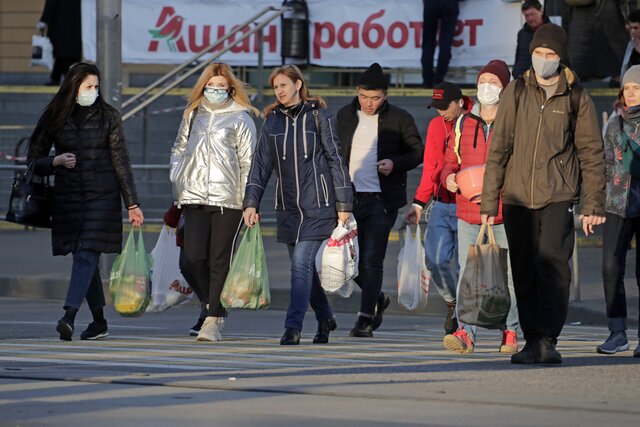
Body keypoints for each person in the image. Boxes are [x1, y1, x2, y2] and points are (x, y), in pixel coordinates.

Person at [481, 23, 606, 364]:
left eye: (550, 55)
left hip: (558, 195)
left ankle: (549, 337)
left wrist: (592, 202)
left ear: (561, 57)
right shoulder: (516, 91)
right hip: (518, 197)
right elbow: (499, 149)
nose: (543, 60)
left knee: (553, 266)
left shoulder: (577, 96)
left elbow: (591, 152)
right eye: (538, 53)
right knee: (523, 269)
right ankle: (531, 338)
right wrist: (489, 200)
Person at [27, 62, 144, 341]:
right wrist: (54, 160)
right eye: (87, 86)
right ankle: (99, 322)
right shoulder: (56, 115)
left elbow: (121, 161)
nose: (93, 91)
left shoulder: (108, 116)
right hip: (68, 195)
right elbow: (33, 159)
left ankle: (68, 315)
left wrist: (132, 203)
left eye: (96, 86)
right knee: (84, 255)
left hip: (101, 195)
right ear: (74, 87)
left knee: (86, 252)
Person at [243, 64, 352, 346]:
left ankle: (293, 326)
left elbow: (336, 160)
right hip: (288, 208)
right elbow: (260, 166)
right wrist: (251, 202)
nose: (279, 91)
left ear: (298, 85)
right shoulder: (272, 122)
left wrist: (343, 203)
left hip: (319, 205)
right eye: (275, 87)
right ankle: (325, 317)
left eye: (283, 85)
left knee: (301, 263)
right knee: (303, 269)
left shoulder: (319, 117)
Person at [170, 63, 258, 343]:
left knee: (220, 259)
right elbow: (179, 148)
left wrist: (249, 202)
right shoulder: (193, 114)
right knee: (191, 259)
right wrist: (178, 176)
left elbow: (249, 161)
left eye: (221, 87)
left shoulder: (241, 118)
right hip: (194, 196)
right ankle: (212, 304)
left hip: (229, 199)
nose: (215, 91)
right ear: (203, 86)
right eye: (211, 86)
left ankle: (213, 319)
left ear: (230, 88)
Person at [336, 63, 423, 337]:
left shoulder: (399, 117)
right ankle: (377, 298)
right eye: (364, 96)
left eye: (375, 98)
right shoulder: (345, 116)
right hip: (348, 201)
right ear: (356, 92)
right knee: (346, 262)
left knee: (372, 260)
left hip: (382, 201)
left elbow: (417, 152)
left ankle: (365, 319)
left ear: (385, 95)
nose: (369, 103)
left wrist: (394, 163)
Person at [439, 60, 519, 354]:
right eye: (483, 80)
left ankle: (510, 331)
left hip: (503, 211)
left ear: (505, 88)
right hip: (468, 211)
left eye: (494, 82)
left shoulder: (514, 121)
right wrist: (448, 177)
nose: (487, 87)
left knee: (508, 276)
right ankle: (465, 333)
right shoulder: (463, 122)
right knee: (467, 275)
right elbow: (450, 161)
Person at [405, 82, 471, 335]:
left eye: (445, 107)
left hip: (470, 204)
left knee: (464, 267)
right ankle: (452, 303)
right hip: (442, 204)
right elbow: (431, 166)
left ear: (460, 102)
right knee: (435, 261)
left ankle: (462, 318)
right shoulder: (436, 126)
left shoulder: (475, 120)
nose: (441, 112)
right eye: (437, 107)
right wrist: (419, 203)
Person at [598, 65, 640, 358]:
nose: (631, 93)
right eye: (627, 88)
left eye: (637, 87)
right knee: (611, 268)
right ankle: (617, 332)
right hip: (616, 204)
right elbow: (605, 164)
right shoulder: (615, 123)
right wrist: (593, 204)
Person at [162, 203, 207, 336]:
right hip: (189, 223)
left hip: (212, 220)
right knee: (186, 266)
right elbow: (183, 189)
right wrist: (172, 215)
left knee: (205, 268)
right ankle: (209, 306)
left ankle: (208, 314)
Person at [37, 0, 82, 85]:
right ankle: (58, 77)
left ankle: (60, 78)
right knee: (68, 52)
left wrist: (44, 20)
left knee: (62, 52)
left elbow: (51, 4)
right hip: (76, 24)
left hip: (60, 24)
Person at [421, 0, 460, 88]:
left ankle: (427, 80)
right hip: (450, 3)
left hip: (431, 3)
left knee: (428, 41)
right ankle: (438, 79)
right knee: (445, 42)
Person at [512, 0, 549, 79]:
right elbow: (518, 56)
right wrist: (516, 72)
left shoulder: (552, 31)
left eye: (532, 14)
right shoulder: (522, 33)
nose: (530, 18)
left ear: (541, 11)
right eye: (526, 15)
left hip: (544, 79)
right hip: (522, 79)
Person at [620, 10, 640, 85]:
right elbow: (624, 69)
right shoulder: (631, 44)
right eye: (630, 28)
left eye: (636, 28)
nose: (632, 31)